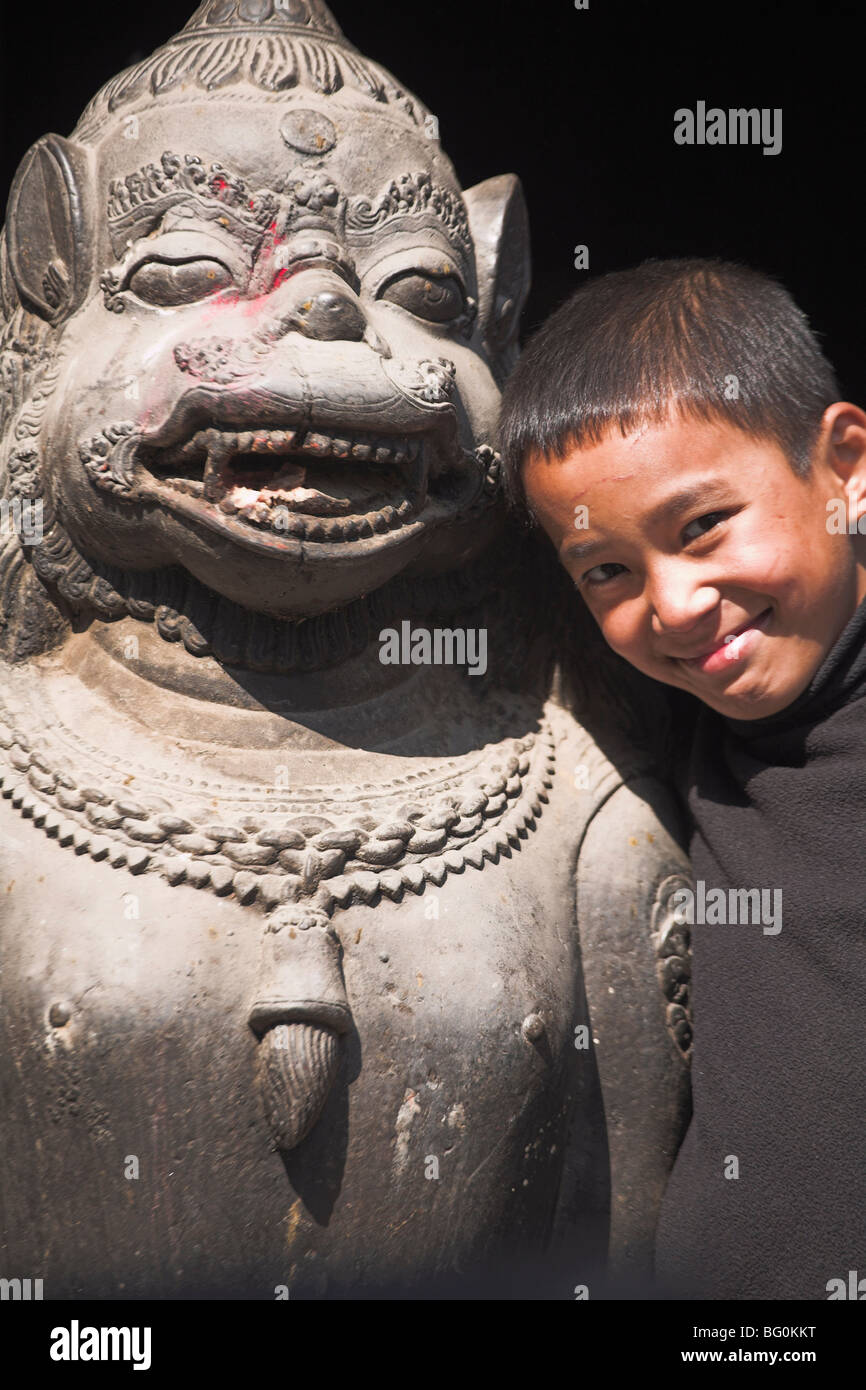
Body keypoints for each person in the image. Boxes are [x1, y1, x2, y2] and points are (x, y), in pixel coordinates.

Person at [498, 257, 866, 1299]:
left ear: (842, 465)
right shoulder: (671, 740)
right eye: (605, 571)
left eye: (701, 525)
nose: (672, 603)